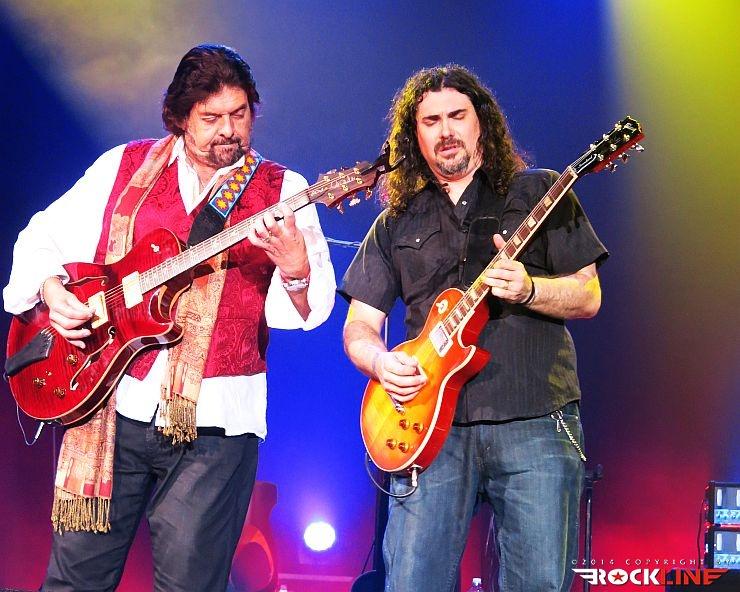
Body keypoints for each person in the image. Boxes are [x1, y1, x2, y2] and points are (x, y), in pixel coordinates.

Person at [3, 44, 335, 591]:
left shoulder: (283, 190)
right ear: (180, 117)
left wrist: (296, 269)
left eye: (240, 114)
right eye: (211, 118)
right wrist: (51, 288)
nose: (228, 130)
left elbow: (307, 311)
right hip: (112, 405)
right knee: (74, 581)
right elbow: (41, 236)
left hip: (216, 424)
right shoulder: (123, 166)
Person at [340, 65, 607, 592]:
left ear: (481, 121)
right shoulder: (397, 220)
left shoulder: (540, 191)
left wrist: (529, 289)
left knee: (537, 583)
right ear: (414, 136)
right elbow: (359, 326)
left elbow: (588, 295)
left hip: (534, 415)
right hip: (428, 430)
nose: (446, 131)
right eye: (431, 121)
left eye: (457, 116)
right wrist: (381, 362)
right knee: (412, 582)